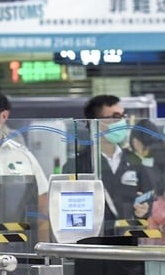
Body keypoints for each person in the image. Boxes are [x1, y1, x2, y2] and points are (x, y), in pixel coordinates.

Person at [63, 95, 153, 234]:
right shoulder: (77, 164)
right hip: (90, 243)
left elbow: (148, 195)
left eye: (123, 116)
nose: (122, 121)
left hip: (128, 243)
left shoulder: (135, 161)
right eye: (115, 117)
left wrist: (144, 210)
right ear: (95, 123)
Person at [0, 90, 50, 241]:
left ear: (4, 116)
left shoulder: (22, 155)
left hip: (17, 246)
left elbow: (42, 206)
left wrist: (44, 254)